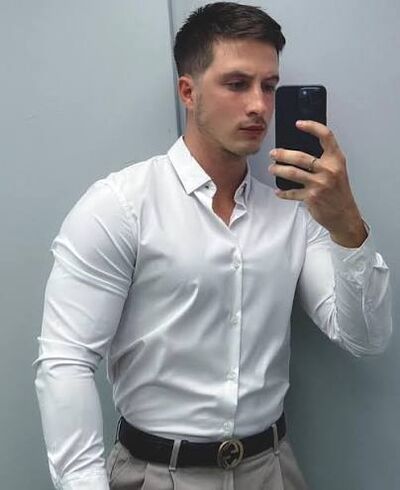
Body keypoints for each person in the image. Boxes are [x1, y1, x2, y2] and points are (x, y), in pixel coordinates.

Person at [34, 2, 392, 489]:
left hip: (271, 470)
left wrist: (347, 225)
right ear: (188, 91)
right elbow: (66, 360)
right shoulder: (120, 207)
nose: (259, 105)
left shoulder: (293, 214)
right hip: (155, 474)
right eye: (237, 84)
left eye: (269, 86)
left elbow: (365, 338)